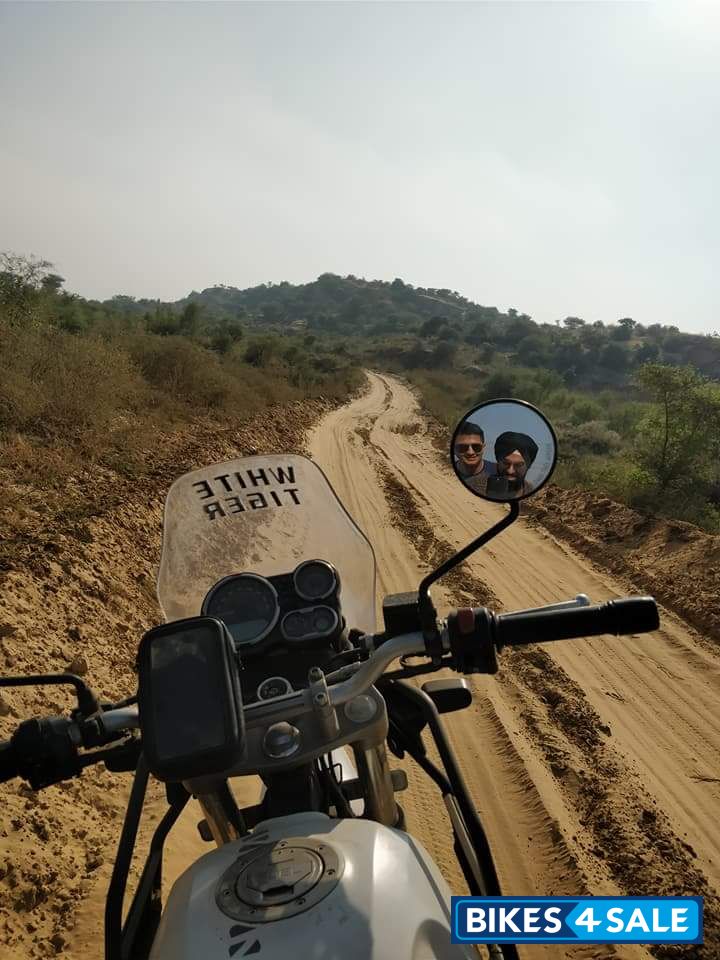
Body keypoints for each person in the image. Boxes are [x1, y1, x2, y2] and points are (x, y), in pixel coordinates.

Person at [487, 431, 539, 499]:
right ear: (498, 461)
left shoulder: (533, 495)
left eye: (518, 465)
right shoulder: (477, 486)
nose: (510, 471)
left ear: (528, 466)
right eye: (506, 463)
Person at [453, 422, 496, 494]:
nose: (470, 452)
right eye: (463, 447)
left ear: (483, 447)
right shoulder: (443, 473)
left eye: (476, 447)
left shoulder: (499, 472)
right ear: (454, 449)